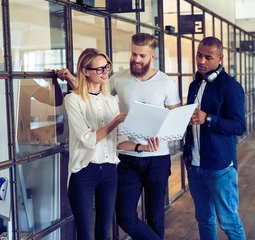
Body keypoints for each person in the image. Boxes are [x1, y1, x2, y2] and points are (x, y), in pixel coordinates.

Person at [58, 33, 181, 240]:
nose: (136, 59)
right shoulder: (116, 81)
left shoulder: (164, 83)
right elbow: (89, 95)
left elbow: (175, 119)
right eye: (133, 54)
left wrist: (151, 142)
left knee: (155, 217)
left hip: (150, 158)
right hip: (120, 161)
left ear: (152, 56)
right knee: (121, 218)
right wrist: (73, 79)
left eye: (142, 55)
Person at [183, 36, 246, 240]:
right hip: (195, 165)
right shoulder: (194, 86)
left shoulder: (231, 87)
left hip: (220, 167)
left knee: (228, 220)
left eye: (208, 57)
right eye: (199, 55)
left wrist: (208, 118)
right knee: (204, 218)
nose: (202, 61)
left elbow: (239, 126)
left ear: (220, 58)